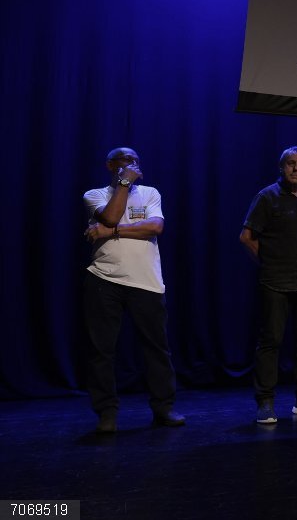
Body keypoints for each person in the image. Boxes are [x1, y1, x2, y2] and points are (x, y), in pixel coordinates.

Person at [82, 147, 185, 433]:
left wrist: (109, 233)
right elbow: (112, 216)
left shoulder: (150, 193)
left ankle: (163, 408)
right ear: (110, 165)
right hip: (104, 280)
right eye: (126, 160)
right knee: (101, 351)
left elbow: (155, 227)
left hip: (146, 282)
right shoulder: (95, 195)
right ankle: (106, 414)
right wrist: (124, 184)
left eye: (135, 161)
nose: (132, 165)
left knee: (156, 349)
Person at [240, 146, 297, 424]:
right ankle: (265, 401)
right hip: (276, 281)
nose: (295, 169)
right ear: (281, 168)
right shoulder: (267, 197)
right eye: (290, 164)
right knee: (271, 341)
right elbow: (246, 237)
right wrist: (269, 262)